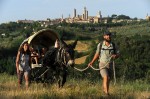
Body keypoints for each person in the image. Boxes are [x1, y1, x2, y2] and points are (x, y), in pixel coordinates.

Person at [88, 31, 119, 95]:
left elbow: (118, 54)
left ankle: (104, 91)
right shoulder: (100, 45)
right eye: (107, 35)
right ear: (104, 36)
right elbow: (97, 54)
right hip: (102, 64)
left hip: (110, 64)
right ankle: (107, 93)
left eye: (109, 35)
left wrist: (115, 56)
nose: (108, 36)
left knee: (108, 79)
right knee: (106, 77)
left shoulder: (114, 45)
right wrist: (92, 62)